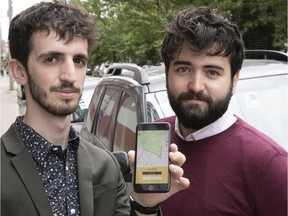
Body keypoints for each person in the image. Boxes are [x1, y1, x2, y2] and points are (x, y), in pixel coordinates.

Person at [1, 1, 190, 215]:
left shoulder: (105, 166)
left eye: (79, 60)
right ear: (19, 71)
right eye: (52, 59)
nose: (70, 75)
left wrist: (144, 205)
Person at [157, 6, 287, 216]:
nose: (196, 85)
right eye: (183, 69)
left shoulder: (270, 166)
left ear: (234, 81)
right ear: (167, 73)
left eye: (212, 72)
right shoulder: (154, 139)